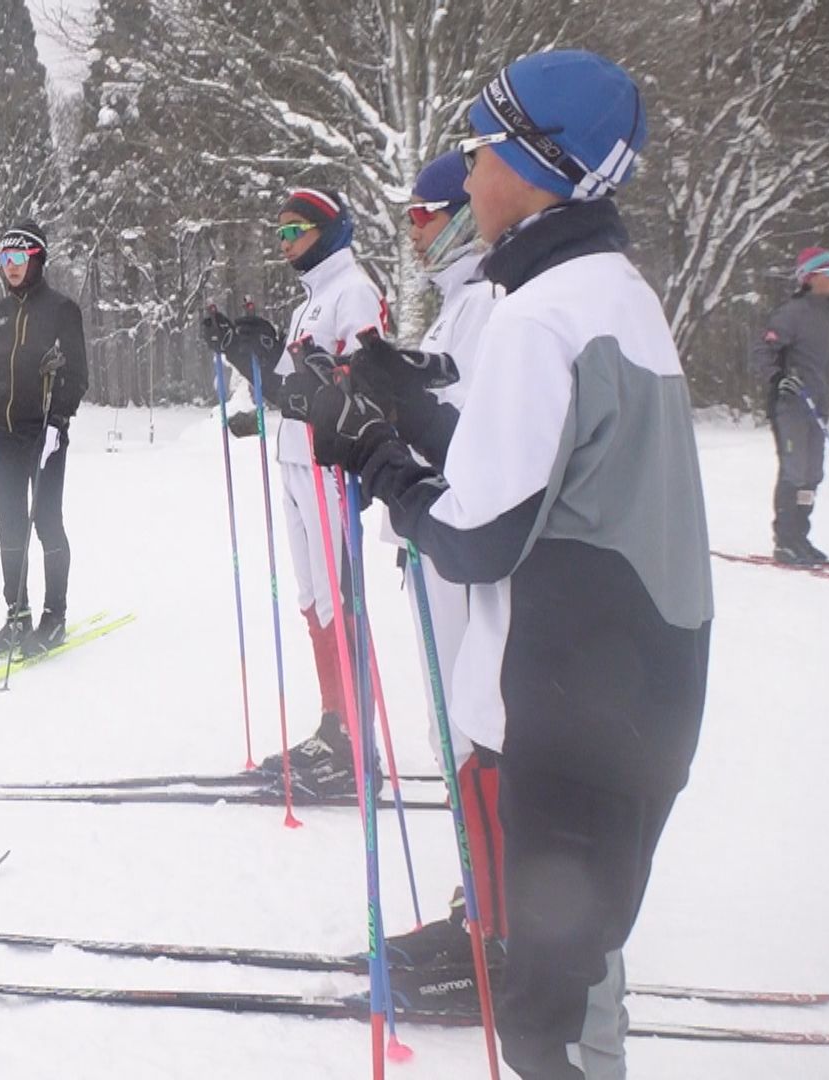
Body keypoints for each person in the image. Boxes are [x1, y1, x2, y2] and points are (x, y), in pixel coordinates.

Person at [309, 51, 711, 1079]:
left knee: (547, 1024)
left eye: (483, 152)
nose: (470, 176)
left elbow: (479, 534)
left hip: (566, 704)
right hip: (633, 692)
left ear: (537, 167)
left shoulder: (541, 316)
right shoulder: (612, 290)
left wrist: (382, 462)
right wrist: (415, 410)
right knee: (576, 979)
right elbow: (544, 473)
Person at [369, 150, 510, 971]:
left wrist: (405, 417)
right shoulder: (460, 303)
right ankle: (482, 902)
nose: (414, 230)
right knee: (449, 721)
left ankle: (493, 928)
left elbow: (477, 434)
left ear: (459, 211)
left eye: (423, 214)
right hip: (434, 533)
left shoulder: (491, 301)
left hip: (462, 537)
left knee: (469, 723)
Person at [250, 188, 389, 792]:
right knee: (311, 600)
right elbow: (285, 384)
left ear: (328, 229)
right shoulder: (309, 302)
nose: (283, 244)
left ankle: (360, 745)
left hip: (329, 462)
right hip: (293, 459)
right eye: (277, 235)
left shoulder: (352, 291)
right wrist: (243, 351)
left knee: (338, 602)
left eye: (293, 232)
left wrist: (332, 383)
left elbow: (371, 375)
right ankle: (334, 726)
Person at [0, 222, 88, 657]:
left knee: (46, 521)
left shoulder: (61, 310)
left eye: (18, 259)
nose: (10, 267)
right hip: (6, 436)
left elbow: (77, 375)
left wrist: (60, 421)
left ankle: (55, 616)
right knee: (9, 525)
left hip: (46, 435)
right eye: (4, 259)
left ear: (36, 260)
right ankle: (17, 615)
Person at [751, 246, 829, 565]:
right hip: (791, 405)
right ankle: (785, 541)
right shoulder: (792, 313)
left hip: (818, 405)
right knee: (795, 470)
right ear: (810, 278)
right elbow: (762, 350)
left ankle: (800, 536)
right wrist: (777, 377)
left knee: (813, 473)